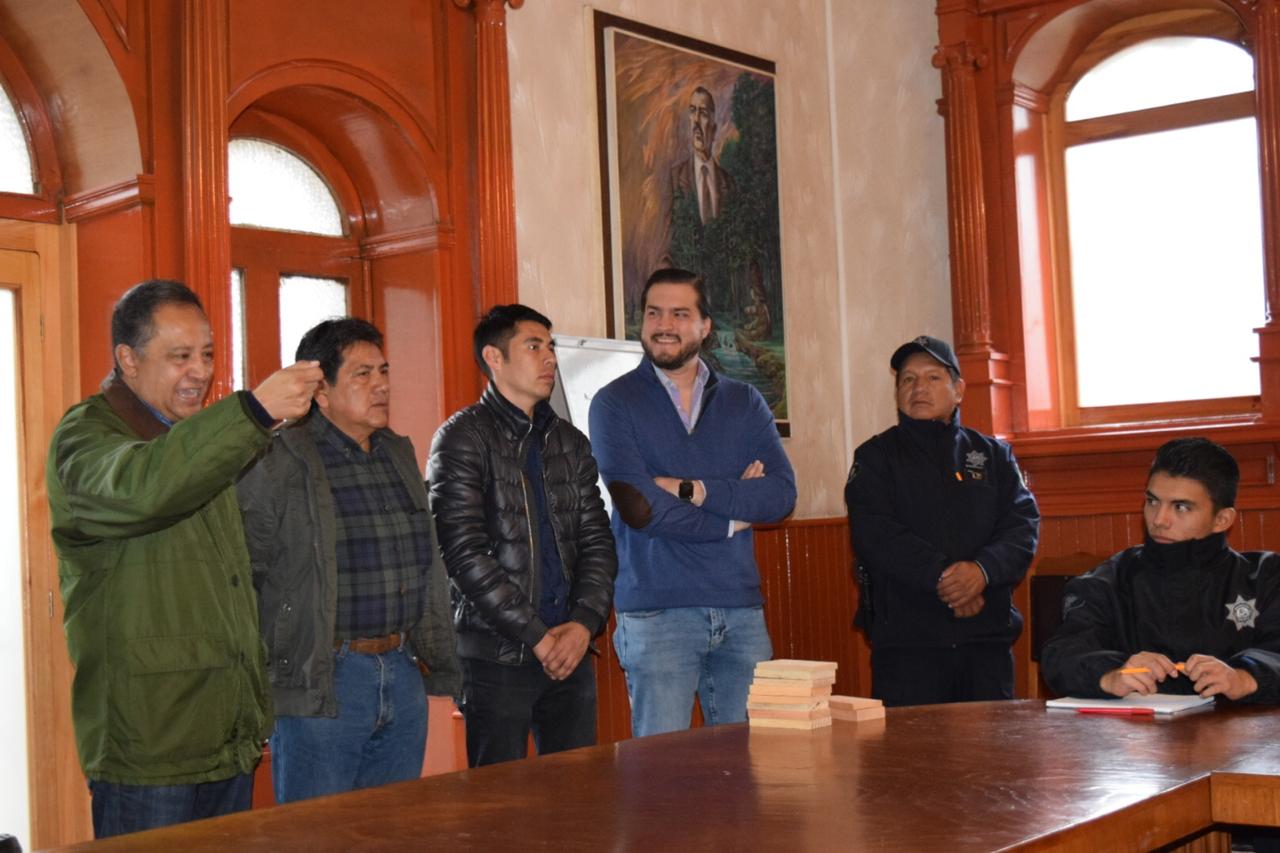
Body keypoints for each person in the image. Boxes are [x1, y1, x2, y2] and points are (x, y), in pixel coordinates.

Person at [46, 280, 322, 838]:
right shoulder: (86, 436)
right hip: (151, 746)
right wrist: (253, 411)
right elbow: (146, 489)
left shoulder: (198, 437)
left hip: (225, 736)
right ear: (127, 359)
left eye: (208, 355)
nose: (200, 371)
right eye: (180, 357)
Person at [236, 318, 459, 803]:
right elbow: (244, 577)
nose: (381, 385)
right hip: (325, 681)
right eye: (362, 375)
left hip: (401, 671)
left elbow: (427, 565)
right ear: (321, 391)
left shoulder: (396, 454)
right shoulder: (278, 462)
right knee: (316, 836)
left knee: (388, 833)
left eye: (383, 371)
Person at [589, 268, 796, 737]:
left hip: (741, 611)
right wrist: (732, 517)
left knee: (748, 766)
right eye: (654, 312)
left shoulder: (745, 402)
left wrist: (694, 489)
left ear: (705, 326)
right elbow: (641, 509)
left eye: (680, 314)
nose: (665, 324)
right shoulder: (612, 404)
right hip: (656, 614)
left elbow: (781, 495)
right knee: (663, 776)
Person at [427, 304, 616, 767]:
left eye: (550, 347)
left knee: (575, 802)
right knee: (501, 811)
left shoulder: (570, 443)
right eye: (534, 347)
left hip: (570, 650)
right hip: (497, 657)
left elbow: (598, 540)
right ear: (494, 358)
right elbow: (463, 553)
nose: (549, 358)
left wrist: (582, 624)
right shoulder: (461, 439)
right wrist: (537, 635)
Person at [845, 335, 1039, 707]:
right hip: (907, 647)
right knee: (911, 762)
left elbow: (1022, 526)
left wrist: (981, 572)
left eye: (933, 378)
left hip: (986, 645)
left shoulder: (993, 454)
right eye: (908, 379)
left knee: (990, 760)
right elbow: (875, 533)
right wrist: (945, 578)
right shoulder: (875, 457)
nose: (919, 387)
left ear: (959, 390)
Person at [1041, 438, 1280, 702]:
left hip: (1242, 739)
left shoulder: (1265, 578)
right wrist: (1110, 674)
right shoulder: (1109, 580)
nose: (1159, 520)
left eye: (1181, 507)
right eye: (1153, 502)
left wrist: (1244, 678)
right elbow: (1062, 654)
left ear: (1222, 520)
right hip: (1130, 738)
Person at [670, 86, 736, 226]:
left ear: (714, 129)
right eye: (693, 111)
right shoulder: (674, 178)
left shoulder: (729, 184)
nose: (696, 120)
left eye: (703, 113)